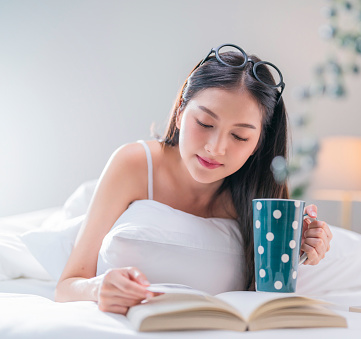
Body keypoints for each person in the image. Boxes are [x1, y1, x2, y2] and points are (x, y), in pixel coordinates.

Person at [55, 43, 333, 315]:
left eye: (239, 136)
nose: (216, 148)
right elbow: (66, 286)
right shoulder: (134, 164)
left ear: (259, 142)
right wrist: (98, 288)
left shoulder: (260, 192)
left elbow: (269, 291)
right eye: (204, 123)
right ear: (179, 113)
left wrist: (303, 250)